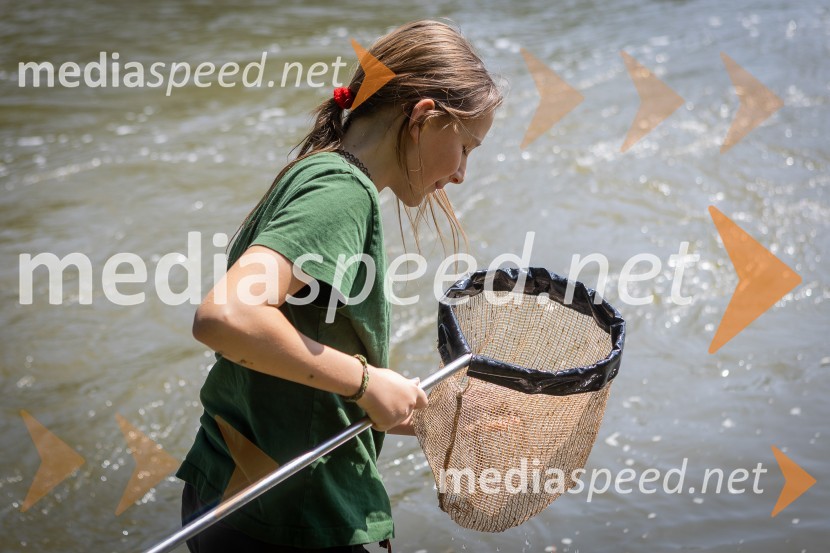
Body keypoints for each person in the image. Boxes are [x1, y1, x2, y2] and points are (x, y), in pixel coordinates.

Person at [176, 19, 503, 553]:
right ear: (424, 116)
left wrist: (433, 415)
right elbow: (226, 316)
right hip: (286, 520)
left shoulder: (320, 172)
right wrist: (366, 382)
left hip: (232, 494)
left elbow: (291, 376)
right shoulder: (342, 195)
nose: (463, 173)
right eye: (467, 145)